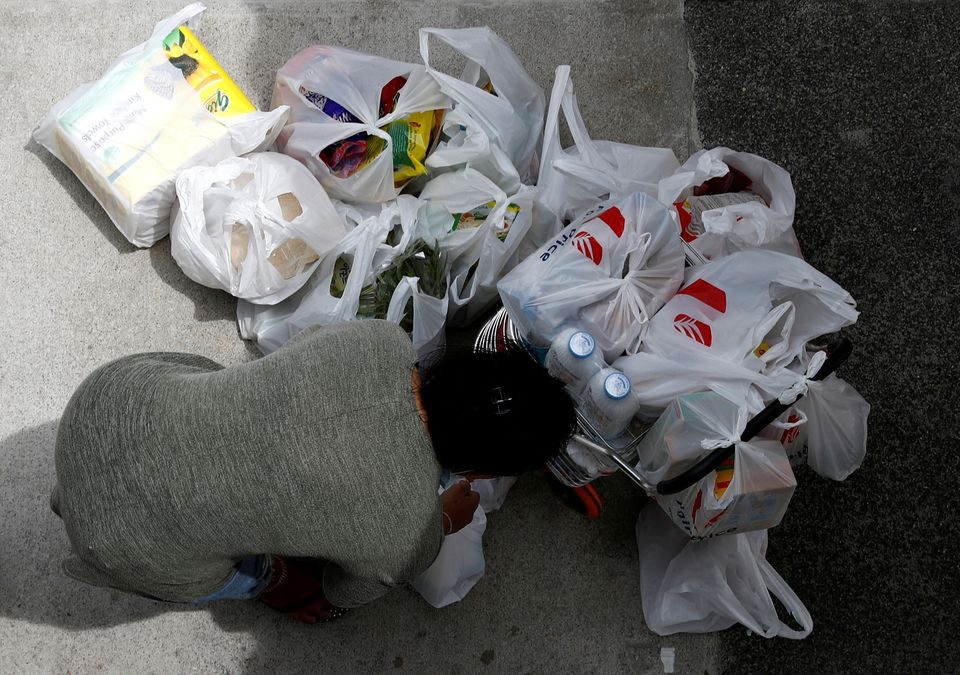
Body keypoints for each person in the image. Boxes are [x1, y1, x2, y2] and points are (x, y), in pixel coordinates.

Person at [50, 320, 576, 623]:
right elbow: (342, 592)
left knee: (216, 391)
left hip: (104, 401)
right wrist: (438, 524)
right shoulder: (408, 534)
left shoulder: (380, 340)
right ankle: (267, 583)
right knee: (269, 579)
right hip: (119, 546)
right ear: (482, 472)